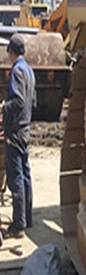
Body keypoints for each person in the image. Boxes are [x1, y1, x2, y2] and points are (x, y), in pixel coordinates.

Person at [1, 33, 35, 239]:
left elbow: (19, 101)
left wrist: (4, 108)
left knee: (16, 179)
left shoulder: (16, 71)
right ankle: (27, 218)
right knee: (26, 175)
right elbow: (33, 101)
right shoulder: (29, 70)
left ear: (11, 52)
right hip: (26, 130)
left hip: (15, 132)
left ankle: (18, 226)